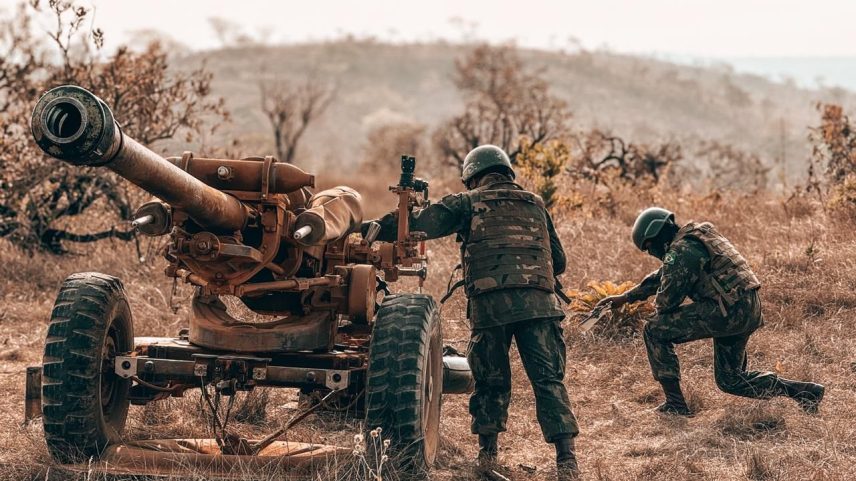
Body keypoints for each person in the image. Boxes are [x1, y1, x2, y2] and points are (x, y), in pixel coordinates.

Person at [362, 145, 579, 480]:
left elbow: (417, 223)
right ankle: (567, 460)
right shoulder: (536, 203)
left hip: (491, 308)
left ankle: (488, 455)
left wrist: (368, 228)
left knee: (490, 381)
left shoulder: (468, 203)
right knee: (548, 381)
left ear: (472, 177)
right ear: (507, 172)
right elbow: (560, 260)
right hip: (539, 306)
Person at [597, 207, 825, 416]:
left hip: (729, 312)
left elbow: (666, 303)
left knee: (654, 330)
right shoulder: (699, 233)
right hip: (747, 307)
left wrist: (656, 305)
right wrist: (626, 297)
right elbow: (665, 273)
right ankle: (804, 392)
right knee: (730, 380)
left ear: (657, 235)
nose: (650, 252)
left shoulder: (681, 252)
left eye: (648, 246)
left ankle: (675, 404)